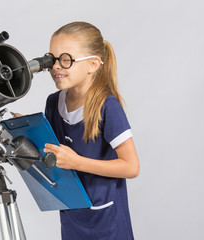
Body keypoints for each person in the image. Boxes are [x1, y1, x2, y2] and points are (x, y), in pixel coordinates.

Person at [43, 22, 140, 240]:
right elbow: (54, 158)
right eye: (51, 59)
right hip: (73, 215)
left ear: (93, 64)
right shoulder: (52, 103)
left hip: (106, 221)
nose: (56, 67)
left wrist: (77, 162)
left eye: (66, 60)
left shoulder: (108, 106)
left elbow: (132, 167)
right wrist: (31, 133)